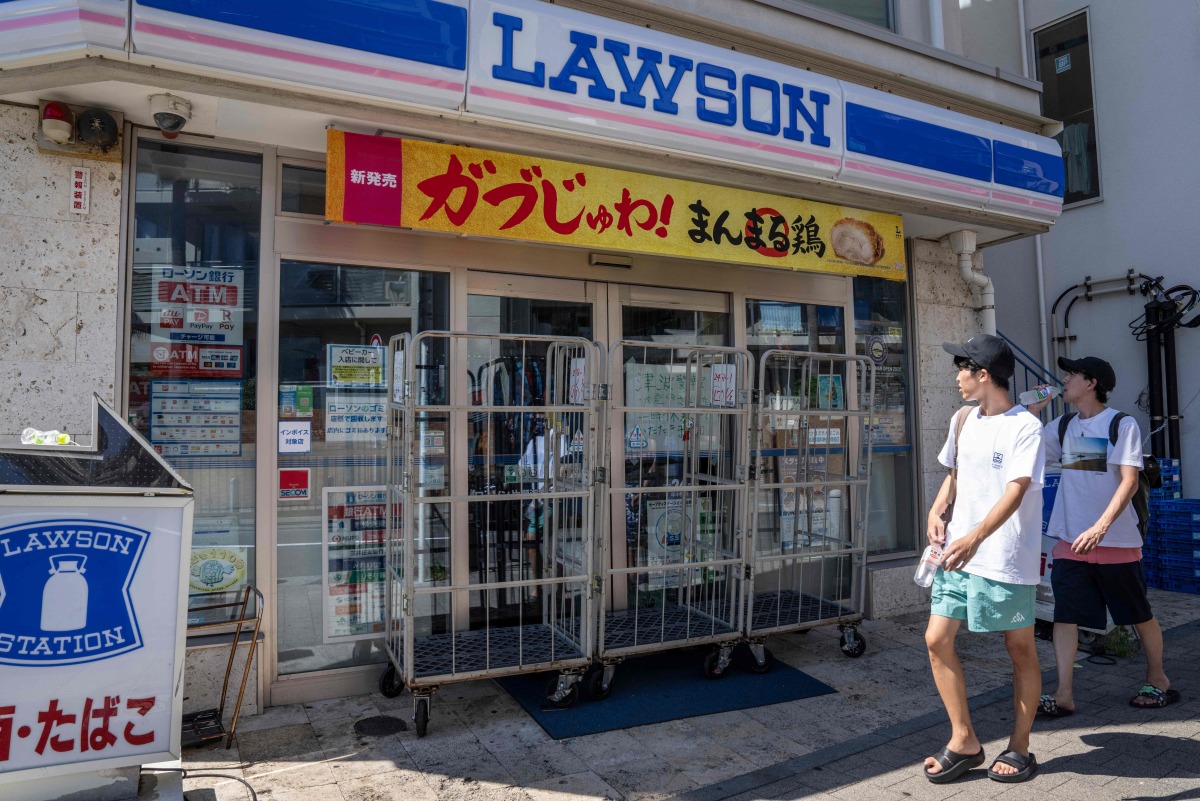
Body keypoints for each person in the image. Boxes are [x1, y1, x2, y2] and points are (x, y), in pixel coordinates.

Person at [923, 335, 1045, 784]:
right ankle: (965, 741)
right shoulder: (961, 419)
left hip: (1004, 556)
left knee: (1019, 649)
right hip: (958, 553)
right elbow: (955, 476)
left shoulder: (1024, 427)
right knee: (937, 639)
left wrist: (975, 536)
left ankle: (1020, 746)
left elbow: (1016, 490)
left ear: (984, 374)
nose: (956, 378)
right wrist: (937, 511)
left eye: (963, 369)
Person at [1028, 356, 1177, 716]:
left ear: (1091, 383)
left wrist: (1100, 527)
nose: (1063, 379)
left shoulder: (1120, 424)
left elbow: (1127, 481)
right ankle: (1064, 694)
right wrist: (1033, 413)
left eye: (1071, 375)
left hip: (1116, 542)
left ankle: (1158, 679)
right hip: (1070, 541)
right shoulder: (1062, 426)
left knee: (1138, 613)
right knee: (1064, 616)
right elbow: (1026, 452)